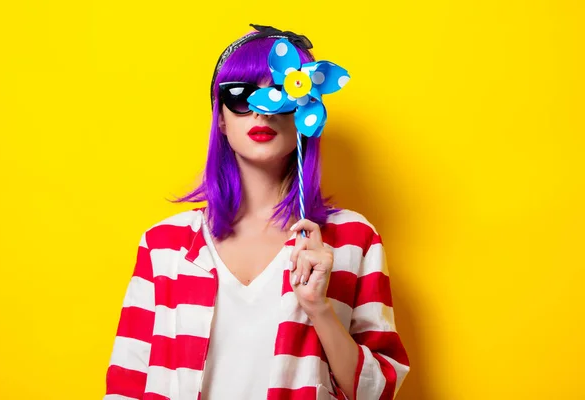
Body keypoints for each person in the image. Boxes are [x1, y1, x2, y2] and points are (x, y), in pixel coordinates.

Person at [103, 24, 410, 400]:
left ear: (305, 109)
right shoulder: (165, 245)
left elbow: (378, 391)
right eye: (241, 96)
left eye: (280, 93)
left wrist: (319, 308)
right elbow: (126, 385)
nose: (261, 112)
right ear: (220, 118)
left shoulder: (353, 239)